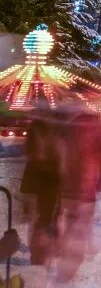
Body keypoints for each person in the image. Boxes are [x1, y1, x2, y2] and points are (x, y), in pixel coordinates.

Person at [55, 102, 101, 283]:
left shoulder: (63, 125)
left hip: (64, 186)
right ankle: (66, 274)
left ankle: (64, 257)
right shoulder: (94, 124)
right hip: (85, 186)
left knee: (70, 221)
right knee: (79, 227)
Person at [21, 101, 62, 267]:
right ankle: (41, 253)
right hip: (48, 179)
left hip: (37, 179)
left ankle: (38, 252)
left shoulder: (36, 128)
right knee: (45, 216)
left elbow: (31, 152)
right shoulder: (51, 128)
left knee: (39, 217)